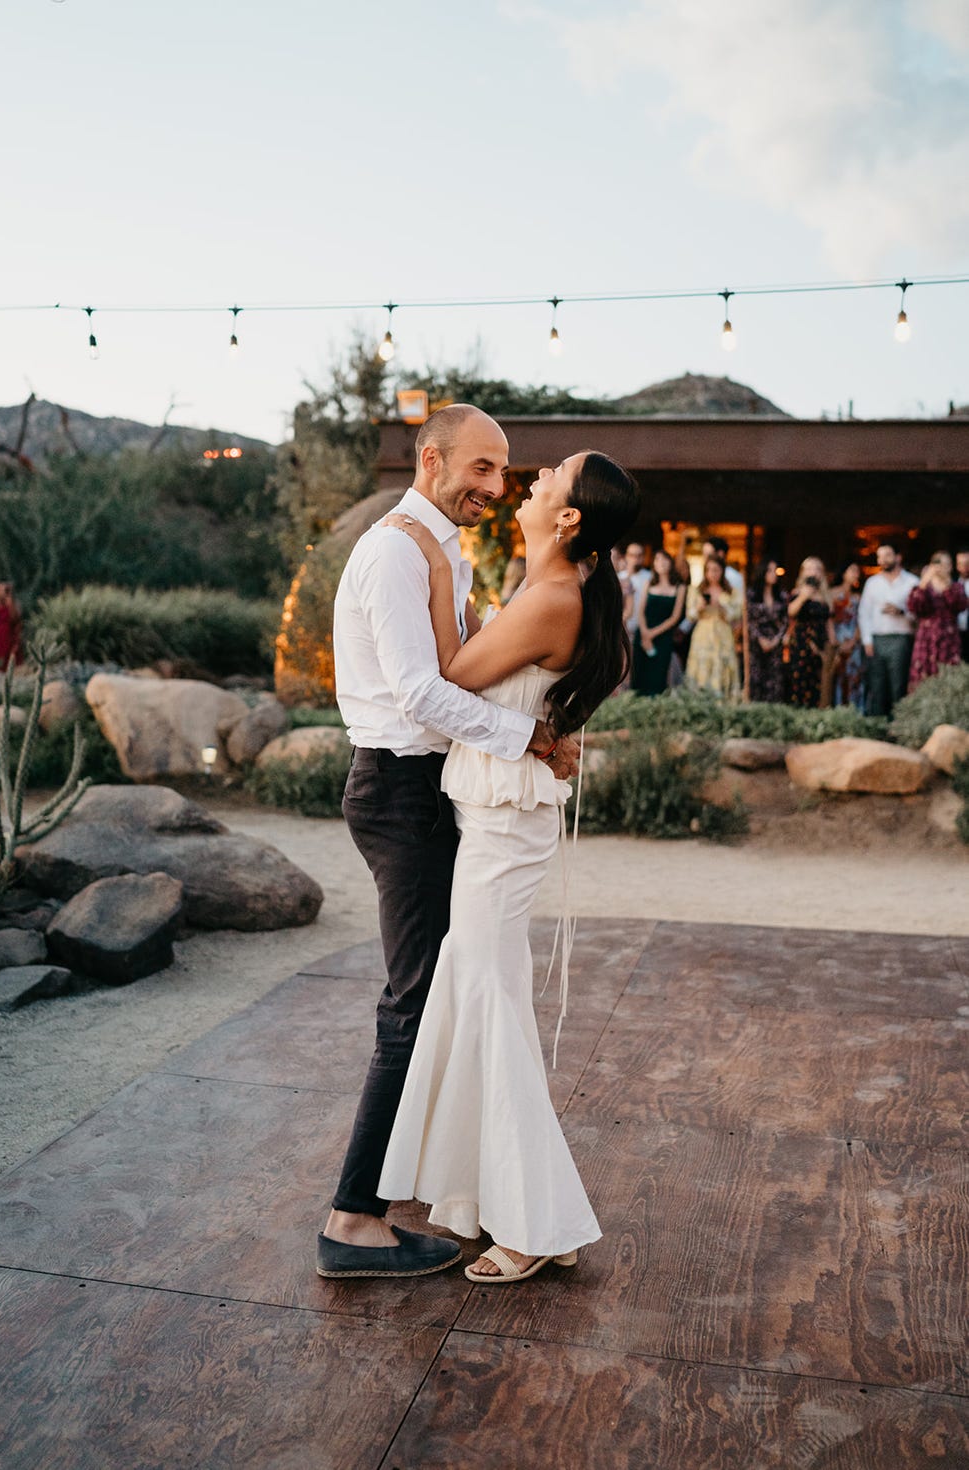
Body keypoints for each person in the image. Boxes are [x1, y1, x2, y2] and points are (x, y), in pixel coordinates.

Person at [317, 404, 580, 1282]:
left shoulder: (439, 550)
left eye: (502, 473)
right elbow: (423, 694)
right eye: (479, 469)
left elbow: (469, 662)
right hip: (398, 789)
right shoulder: (397, 550)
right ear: (431, 459)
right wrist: (532, 741)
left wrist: (539, 721)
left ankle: (439, 1190)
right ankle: (354, 1221)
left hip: (424, 789)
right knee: (416, 1000)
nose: (494, 489)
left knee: (438, 994)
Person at [378, 450, 642, 1283]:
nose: (531, 482)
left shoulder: (552, 598)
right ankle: (487, 1198)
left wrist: (431, 568)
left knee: (492, 1004)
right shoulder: (549, 593)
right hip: (495, 818)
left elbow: (452, 676)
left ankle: (535, 1221)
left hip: (502, 828)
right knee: (478, 992)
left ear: (568, 519)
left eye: (550, 478)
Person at [857, 542, 919, 717]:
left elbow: (920, 613)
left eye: (887, 555)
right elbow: (864, 613)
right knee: (877, 685)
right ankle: (877, 725)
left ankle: (898, 725)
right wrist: (867, 640)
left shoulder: (912, 582)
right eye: (879, 556)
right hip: (877, 639)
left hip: (900, 638)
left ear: (898, 557)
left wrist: (901, 611)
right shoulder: (872, 583)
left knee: (898, 685)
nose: (882, 560)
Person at [907, 552, 968, 689]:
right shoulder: (924, 588)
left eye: (944, 564)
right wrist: (924, 581)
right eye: (937, 563)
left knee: (949, 678)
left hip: (948, 639)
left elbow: (960, 605)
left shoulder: (956, 587)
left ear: (950, 566)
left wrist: (947, 585)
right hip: (926, 639)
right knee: (923, 678)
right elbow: (914, 607)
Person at [685, 554, 741, 697]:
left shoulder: (731, 592)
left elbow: (736, 616)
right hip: (703, 634)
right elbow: (690, 616)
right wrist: (699, 607)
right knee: (702, 667)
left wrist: (723, 607)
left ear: (722, 571)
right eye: (709, 570)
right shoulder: (697, 590)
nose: (712, 573)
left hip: (723, 633)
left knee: (723, 666)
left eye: (716, 570)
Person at [631, 548, 684, 696]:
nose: (661, 563)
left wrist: (652, 634)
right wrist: (645, 633)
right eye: (657, 560)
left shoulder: (680, 587)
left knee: (658, 677)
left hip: (663, 636)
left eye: (664, 559)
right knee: (639, 676)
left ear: (671, 563)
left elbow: (675, 617)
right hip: (643, 634)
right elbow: (640, 611)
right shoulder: (649, 583)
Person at [786, 557, 834, 708]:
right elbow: (791, 612)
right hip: (802, 643)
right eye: (809, 568)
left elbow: (828, 622)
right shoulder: (797, 593)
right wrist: (804, 596)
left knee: (819, 682)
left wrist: (833, 646)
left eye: (817, 569)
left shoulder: (825, 596)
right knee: (800, 680)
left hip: (820, 644)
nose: (813, 572)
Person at [745, 558, 788, 703]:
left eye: (775, 570)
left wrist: (776, 640)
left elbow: (785, 621)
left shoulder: (781, 596)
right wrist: (759, 638)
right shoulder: (751, 594)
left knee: (774, 682)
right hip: (756, 643)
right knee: (756, 681)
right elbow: (747, 620)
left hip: (775, 643)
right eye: (769, 570)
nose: (773, 574)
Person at [829, 560, 864, 710]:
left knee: (854, 678)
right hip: (837, 640)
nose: (856, 574)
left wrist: (854, 640)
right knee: (837, 677)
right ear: (844, 573)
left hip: (853, 642)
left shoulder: (859, 597)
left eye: (857, 571)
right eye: (853, 570)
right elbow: (829, 618)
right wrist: (836, 642)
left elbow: (861, 620)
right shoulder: (832, 594)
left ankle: (854, 712)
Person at [0, 582, 24, 671]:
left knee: (10, 658)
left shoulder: (13, 604)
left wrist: (10, 601)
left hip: (9, 635)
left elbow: (16, 619)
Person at [956, 549, 969, 662]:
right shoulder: (952, 583)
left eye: (967, 563)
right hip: (957, 634)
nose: (965, 567)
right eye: (961, 564)